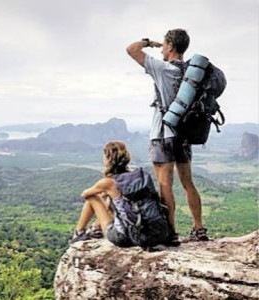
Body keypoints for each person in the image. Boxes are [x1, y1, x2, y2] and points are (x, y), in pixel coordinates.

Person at [126, 29, 209, 243]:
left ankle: (171, 232)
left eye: (164, 45)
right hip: (183, 134)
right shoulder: (191, 73)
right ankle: (199, 228)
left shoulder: (162, 69)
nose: (162, 48)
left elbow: (131, 49)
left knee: (165, 185)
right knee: (188, 183)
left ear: (170, 47)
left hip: (162, 134)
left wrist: (150, 42)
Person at [70, 141, 171, 250]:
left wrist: (104, 192)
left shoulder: (108, 182)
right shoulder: (140, 177)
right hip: (158, 234)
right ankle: (95, 228)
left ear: (108, 159)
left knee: (92, 198)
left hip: (126, 238)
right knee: (115, 200)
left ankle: (79, 233)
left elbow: (85, 194)